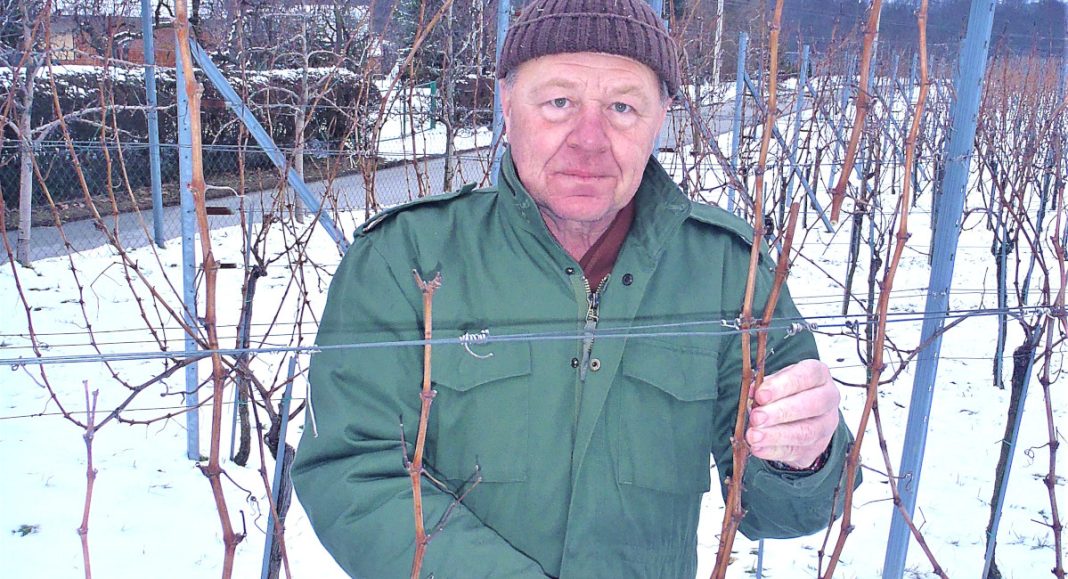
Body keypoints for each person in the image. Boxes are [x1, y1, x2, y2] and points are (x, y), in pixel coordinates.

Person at [292, 0, 856, 576]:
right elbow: (351, 472)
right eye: (559, 102)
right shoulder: (406, 259)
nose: (589, 140)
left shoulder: (729, 269)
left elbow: (784, 510)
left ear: (661, 116)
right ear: (508, 104)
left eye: (622, 107)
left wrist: (804, 458)